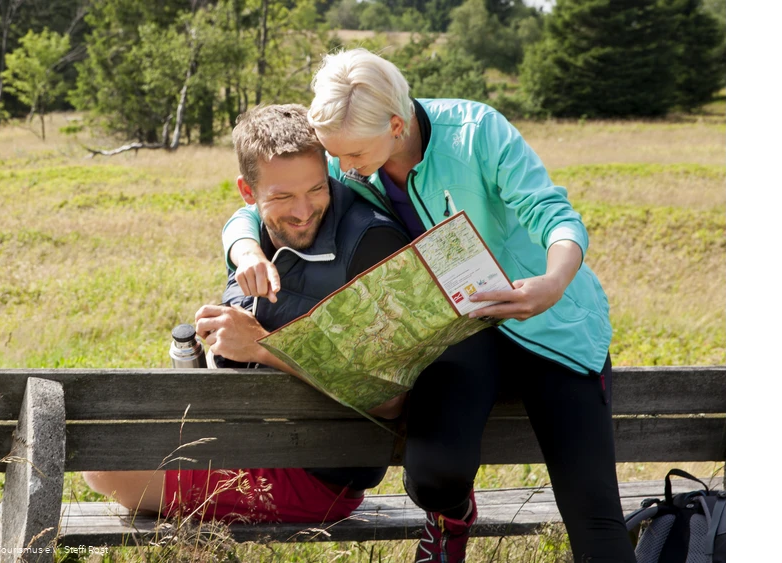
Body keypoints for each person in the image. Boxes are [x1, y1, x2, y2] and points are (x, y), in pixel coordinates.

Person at [221, 49, 637, 562]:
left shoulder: (477, 131)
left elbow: (556, 216)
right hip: (461, 331)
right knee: (433, 472)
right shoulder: (346, 150)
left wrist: (551, 283)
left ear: (396, 124)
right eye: (337, 158)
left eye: (351, 158)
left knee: (593, 511)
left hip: (550, 323)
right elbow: (254, 205)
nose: (342, 171)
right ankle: (450, 521)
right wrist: (246, 247)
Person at [83, 103, 410, 526]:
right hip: (248, 439)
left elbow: (389, 398)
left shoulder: (370, 245)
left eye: (316, 189)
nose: (303, 211)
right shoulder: (251, 234)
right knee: (114, 441)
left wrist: (263, 346)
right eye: (282, 196)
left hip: (316, 474)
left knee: (105, 468)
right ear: (247, 192)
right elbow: (240, 225)